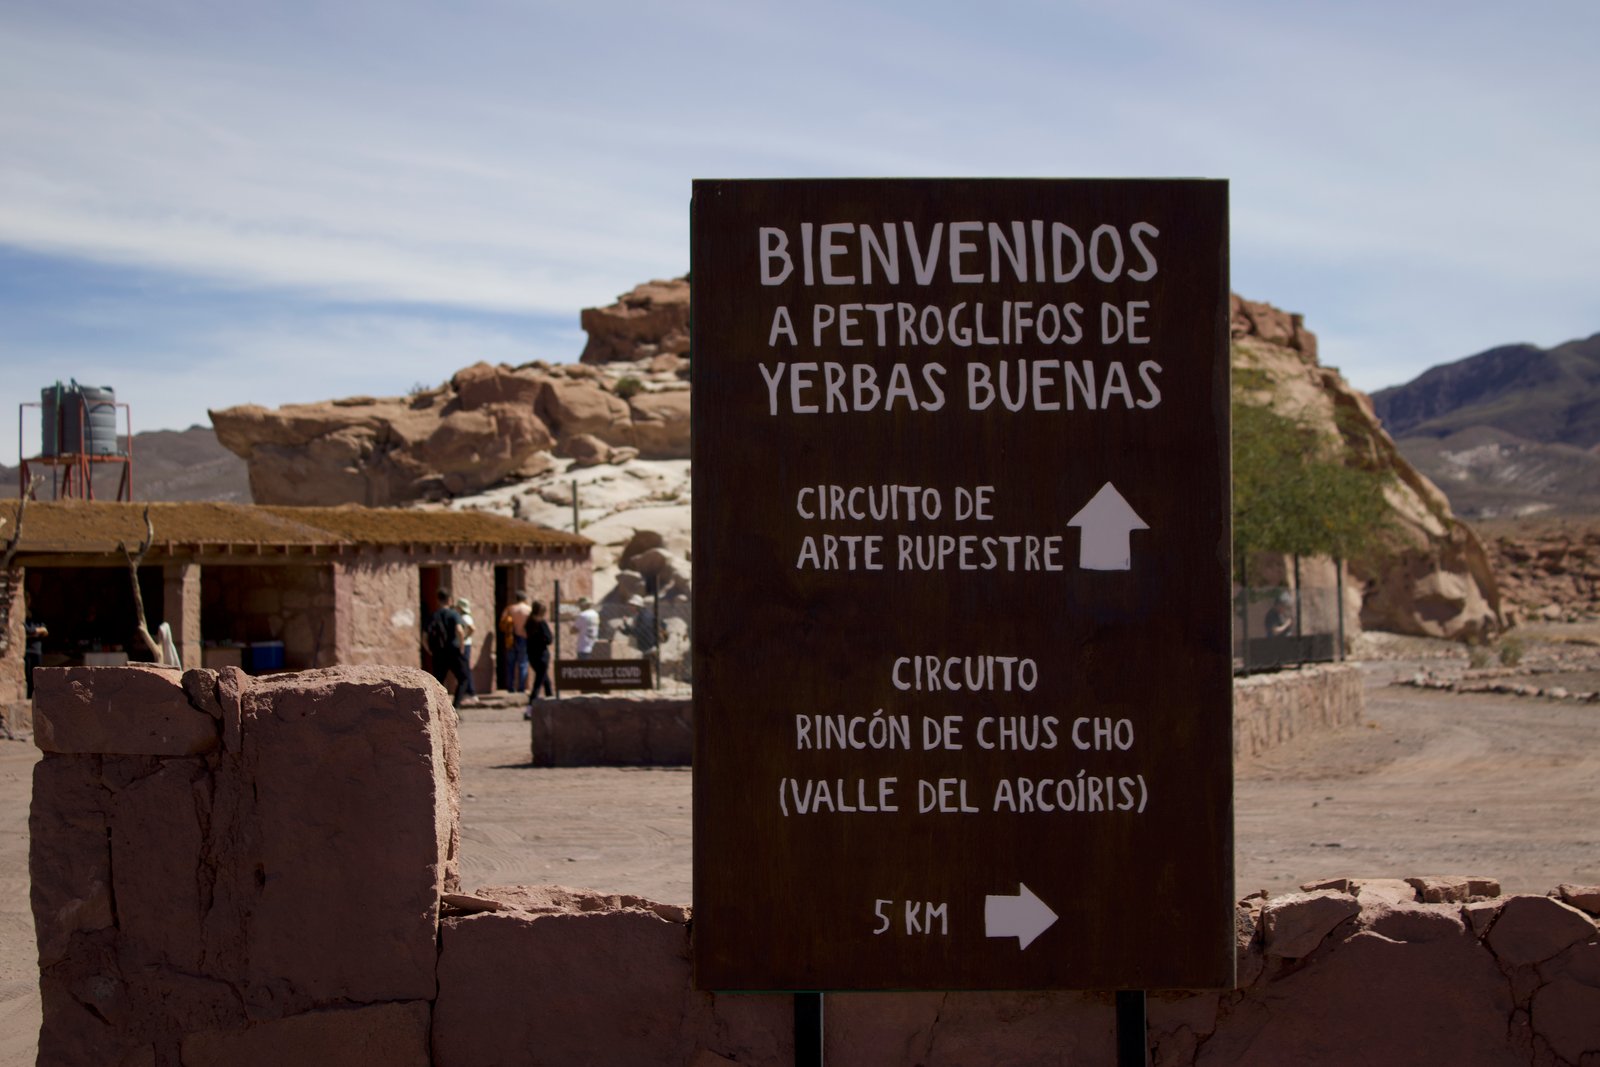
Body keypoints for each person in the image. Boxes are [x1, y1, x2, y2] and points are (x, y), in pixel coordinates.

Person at [426, 589, 469, 708]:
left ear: (438, 600)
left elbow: (424, 636)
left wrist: (429, 649)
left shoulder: (433, 615)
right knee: (463, 678)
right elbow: (460, 631)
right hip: (454, 651)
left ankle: (438, 708)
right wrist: (462, 646)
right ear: (449, 600)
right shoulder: (454, 614)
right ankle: (455, 707)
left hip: (439, 652)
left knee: (438, 681)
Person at [523, 601, 554, 717]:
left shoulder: (529, 623)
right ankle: (529, 709)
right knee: (538, 684)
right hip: (541, 656)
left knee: (546, 682)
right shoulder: (541, 623)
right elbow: (549, 639)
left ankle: (552, 706)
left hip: (532, 656)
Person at [500, 592, 532, 692]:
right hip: (523, 637)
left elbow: (502, 623)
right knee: (523, 663)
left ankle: (510, 687)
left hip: (511, 638)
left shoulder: (510, 609)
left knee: (511, 664)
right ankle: (521, 687)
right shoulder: (528, 609)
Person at [455, 597, 480, 706]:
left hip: (465, 645)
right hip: (465, 644)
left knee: (465, 669)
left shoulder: (465, 617)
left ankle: (471, 692)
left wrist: (464, 638)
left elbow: (472, 628)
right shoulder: (463, 616)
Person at [24, 611, 47, 699]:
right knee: (28, 675)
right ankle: (29, 696)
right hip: (27, 651)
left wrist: (33, 632)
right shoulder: (24, 619)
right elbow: (28, 630)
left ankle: (37, 696)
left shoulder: (37, 618)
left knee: (37, 675)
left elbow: (45, 631)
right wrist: (37, 631)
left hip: (37, 651)